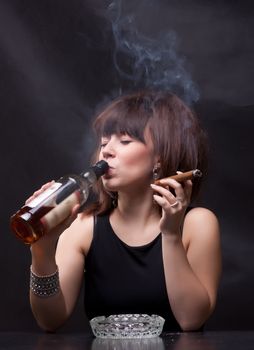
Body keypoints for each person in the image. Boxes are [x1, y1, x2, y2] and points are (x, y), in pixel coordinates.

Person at [28, 90, 221, 333]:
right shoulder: (83, 226)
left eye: (125, 141)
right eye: (104, 143)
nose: (106, 152)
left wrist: (171, 235)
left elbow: (191, 320)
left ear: (159, 158)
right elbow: (50, 319)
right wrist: (42, 249)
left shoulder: (197, 223)